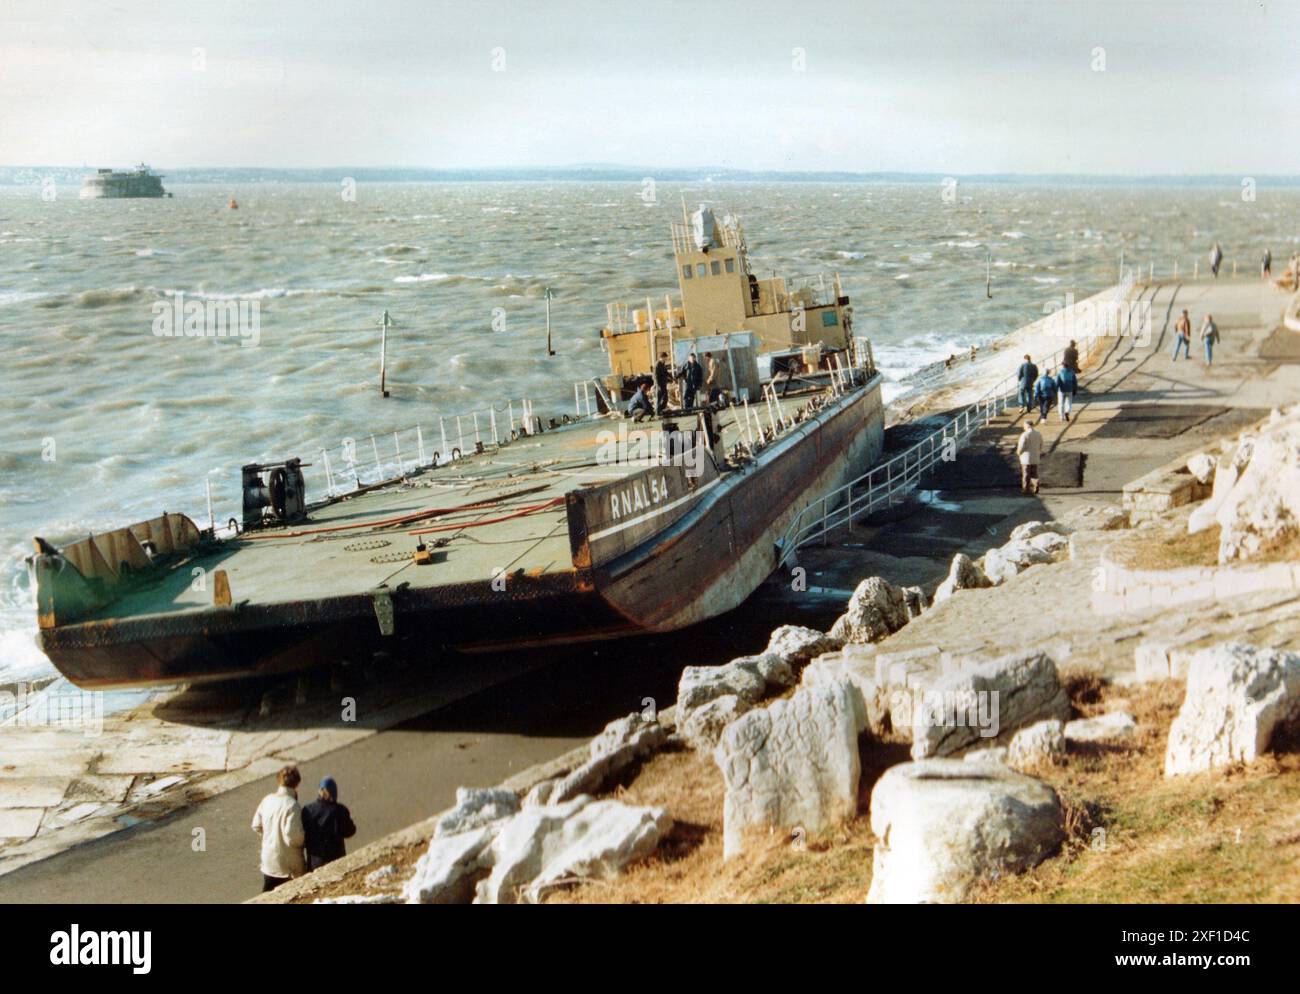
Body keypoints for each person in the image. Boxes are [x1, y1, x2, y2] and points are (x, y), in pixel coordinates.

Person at [252, 765, 306, 893]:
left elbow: (256, 825)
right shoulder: (293, 806)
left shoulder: (267, 800)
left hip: (269, 861)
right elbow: (293, 839)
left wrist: (269, 836)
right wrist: (305, 837)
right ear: (296, 784)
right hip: (287, 866)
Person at [301, 776, 357, 871]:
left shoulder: (308, 810)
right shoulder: (340, 810)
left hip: (315, 861)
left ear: (320, 791)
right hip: (336, 858)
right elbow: (350, 831)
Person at [1016, 420, 1043, 495]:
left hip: (1026, 458)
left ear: (1027, 426)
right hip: (1035, 456)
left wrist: (1018, 453)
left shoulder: (1024, 435)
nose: (1023, 427)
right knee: (1034, 473)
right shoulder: (1038, 434)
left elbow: (1021, 446)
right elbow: (1041, 444)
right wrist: (1038, 452)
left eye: (1024, 426)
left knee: (1026, 474)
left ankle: (1026, 489)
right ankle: (1036, 484)